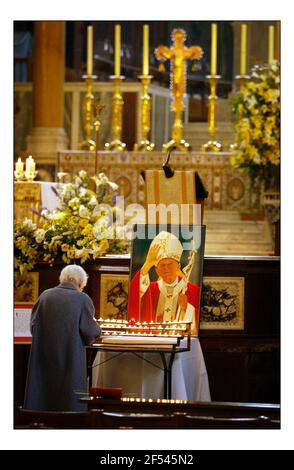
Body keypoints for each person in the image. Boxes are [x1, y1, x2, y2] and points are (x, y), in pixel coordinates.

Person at [23, 265, 101, 411]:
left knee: (43, 394)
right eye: (82, 286)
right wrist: (99, 329)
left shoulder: (45, 296)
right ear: (79, 283)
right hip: (71, 358)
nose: (82, 289)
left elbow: (34, 327)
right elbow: (90, 332)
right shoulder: (82, 299)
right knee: (69, 398)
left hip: (44, 356)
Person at [128, 231, 200, 335]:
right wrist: (147, 264)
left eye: (170, 264)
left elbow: (201, 320)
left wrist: (187, 308)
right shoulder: (150, 289)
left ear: (178, 266)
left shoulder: (192, 290)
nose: (166, 268)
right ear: (156, 270)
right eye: (162, 265)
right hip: (153, 344)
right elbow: (134, 296)